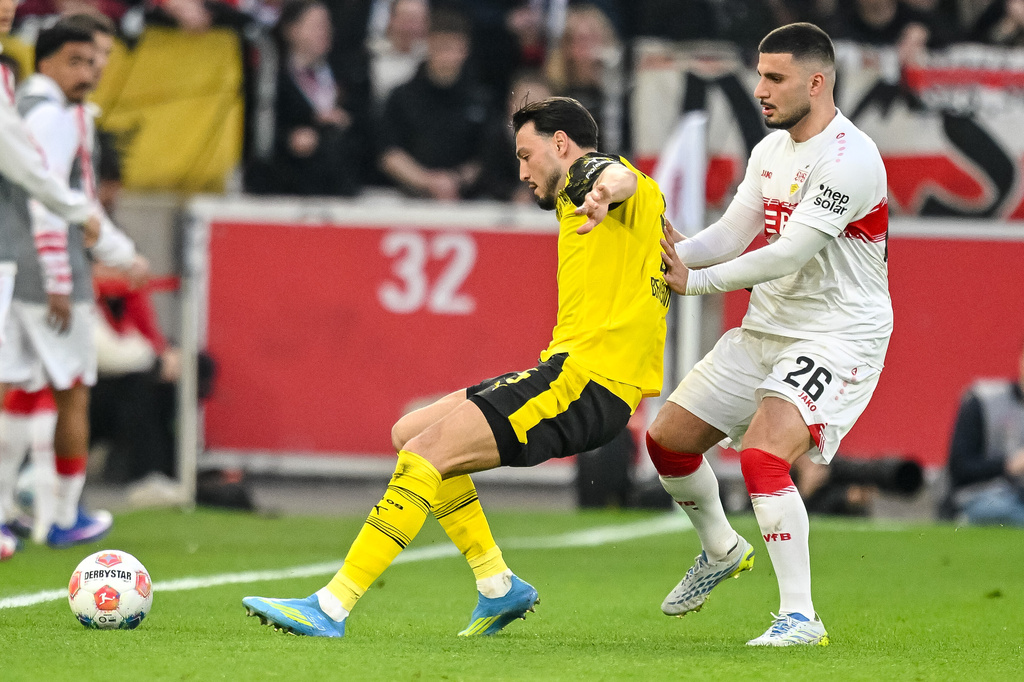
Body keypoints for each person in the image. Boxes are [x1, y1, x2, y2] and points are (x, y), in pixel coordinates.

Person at [242, 96, 671, 638]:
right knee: (412, 432)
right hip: (575, 376)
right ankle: (497, 585)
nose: (521, 171)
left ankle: (330, 605)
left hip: (585, 383)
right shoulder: (621, 202)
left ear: (560, 144)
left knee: (426, 454)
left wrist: (603, 189)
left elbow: (610, 174)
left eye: (525, 154)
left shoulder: (597, 178)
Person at [648, 23, 891, 646]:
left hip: (838, 335)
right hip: (769, 327)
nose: (759, 89)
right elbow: (731, 235)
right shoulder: (770, 151)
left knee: (761, 455)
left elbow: (786, 254)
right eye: (759, 74)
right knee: (668, 441)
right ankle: (721, 549)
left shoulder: (850, 159)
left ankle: (800, 617)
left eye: (775, 78)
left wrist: (693, 284)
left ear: (817, 82)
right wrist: (668, 253)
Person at [0, 21, 140, 552]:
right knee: (73, 390)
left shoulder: (31, 104)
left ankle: (5, 512)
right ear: (50, 61)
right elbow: (46, 196)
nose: (94, 69)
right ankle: (63, 515)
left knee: (13, 384)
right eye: (81, 59)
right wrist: (64, 275)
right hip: (44, 273)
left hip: (15, 266)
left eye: (99, 58)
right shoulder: (53, 115)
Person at [377, 7, 492, 200]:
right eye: (440, 46)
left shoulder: (480, 99)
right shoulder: (401, 96)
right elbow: (387, 151)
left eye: (452, 47)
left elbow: (487, 156)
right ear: (427, 45)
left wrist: (455, 180)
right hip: (405, 197)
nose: (445, 55)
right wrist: (427, 181)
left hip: (466, 199)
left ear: (465, 50)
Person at [944, 338, 1024, 526]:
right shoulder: (983, 401)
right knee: (1001, 509)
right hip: (981, 496)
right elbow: (960, 467)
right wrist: (1010, 465)